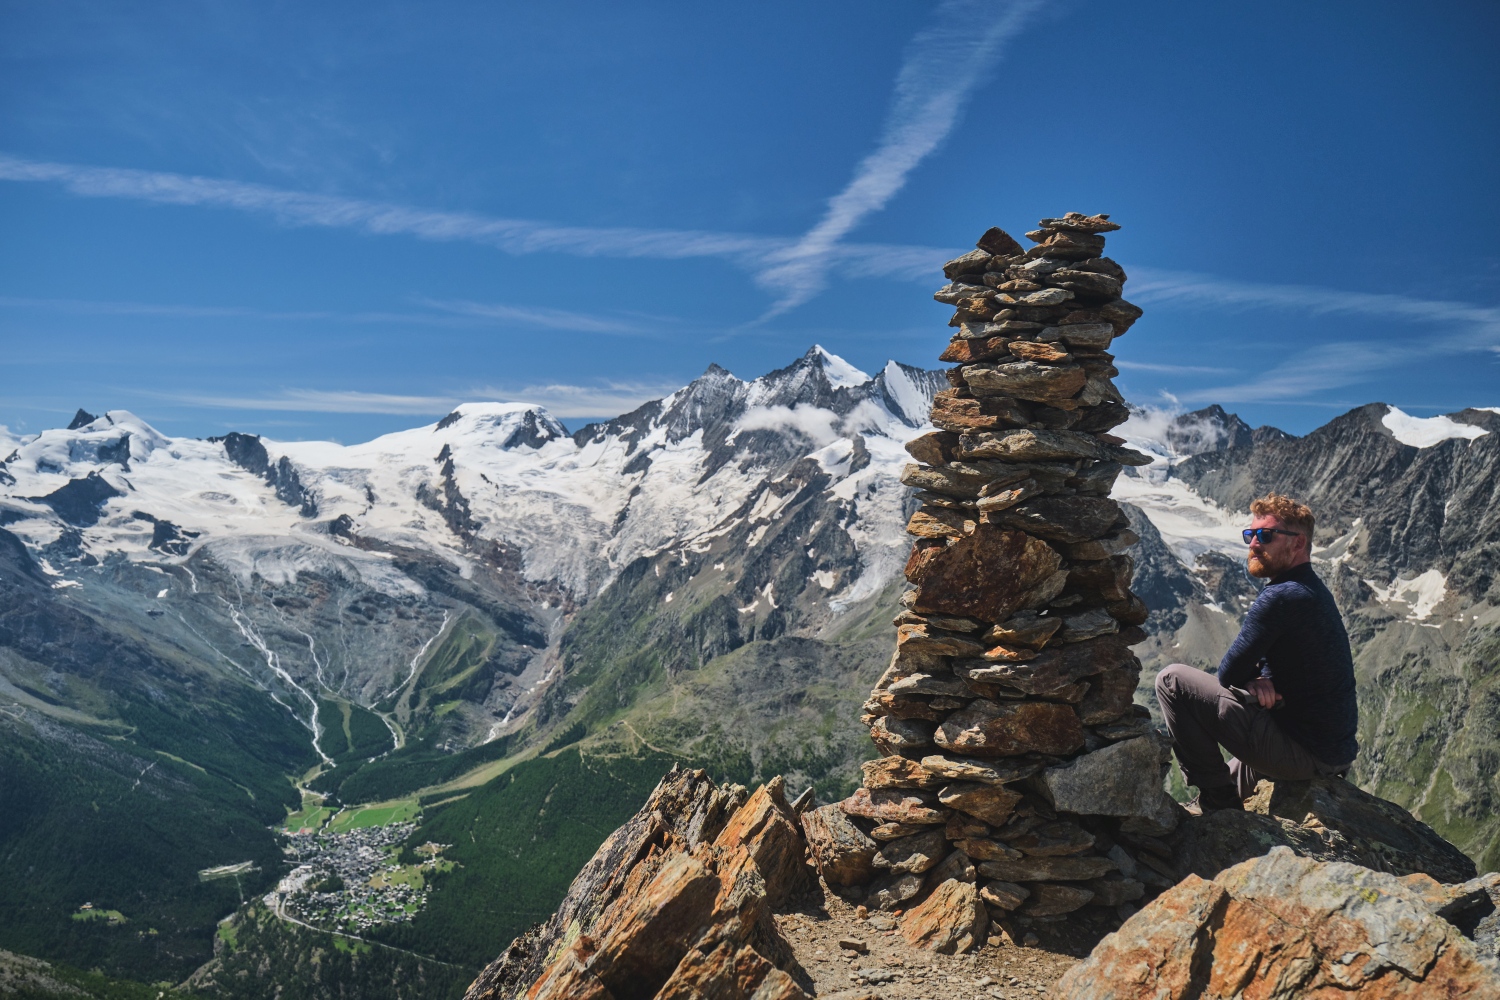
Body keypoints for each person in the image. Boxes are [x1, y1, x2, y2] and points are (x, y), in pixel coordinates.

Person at [1154, 493, 1358, 812]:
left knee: (1171, 681)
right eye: (1250, 534)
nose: (1253, 544)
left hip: (1304, 755)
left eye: (1265, 535)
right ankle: (1209, 803)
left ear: (1297, 543)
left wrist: (1247, 678)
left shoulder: (1280, 596)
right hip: (1330, 753)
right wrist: (1259, 677)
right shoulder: (1312, 590)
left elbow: (1229, 673)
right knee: (1238, 763)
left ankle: (1216, 799)